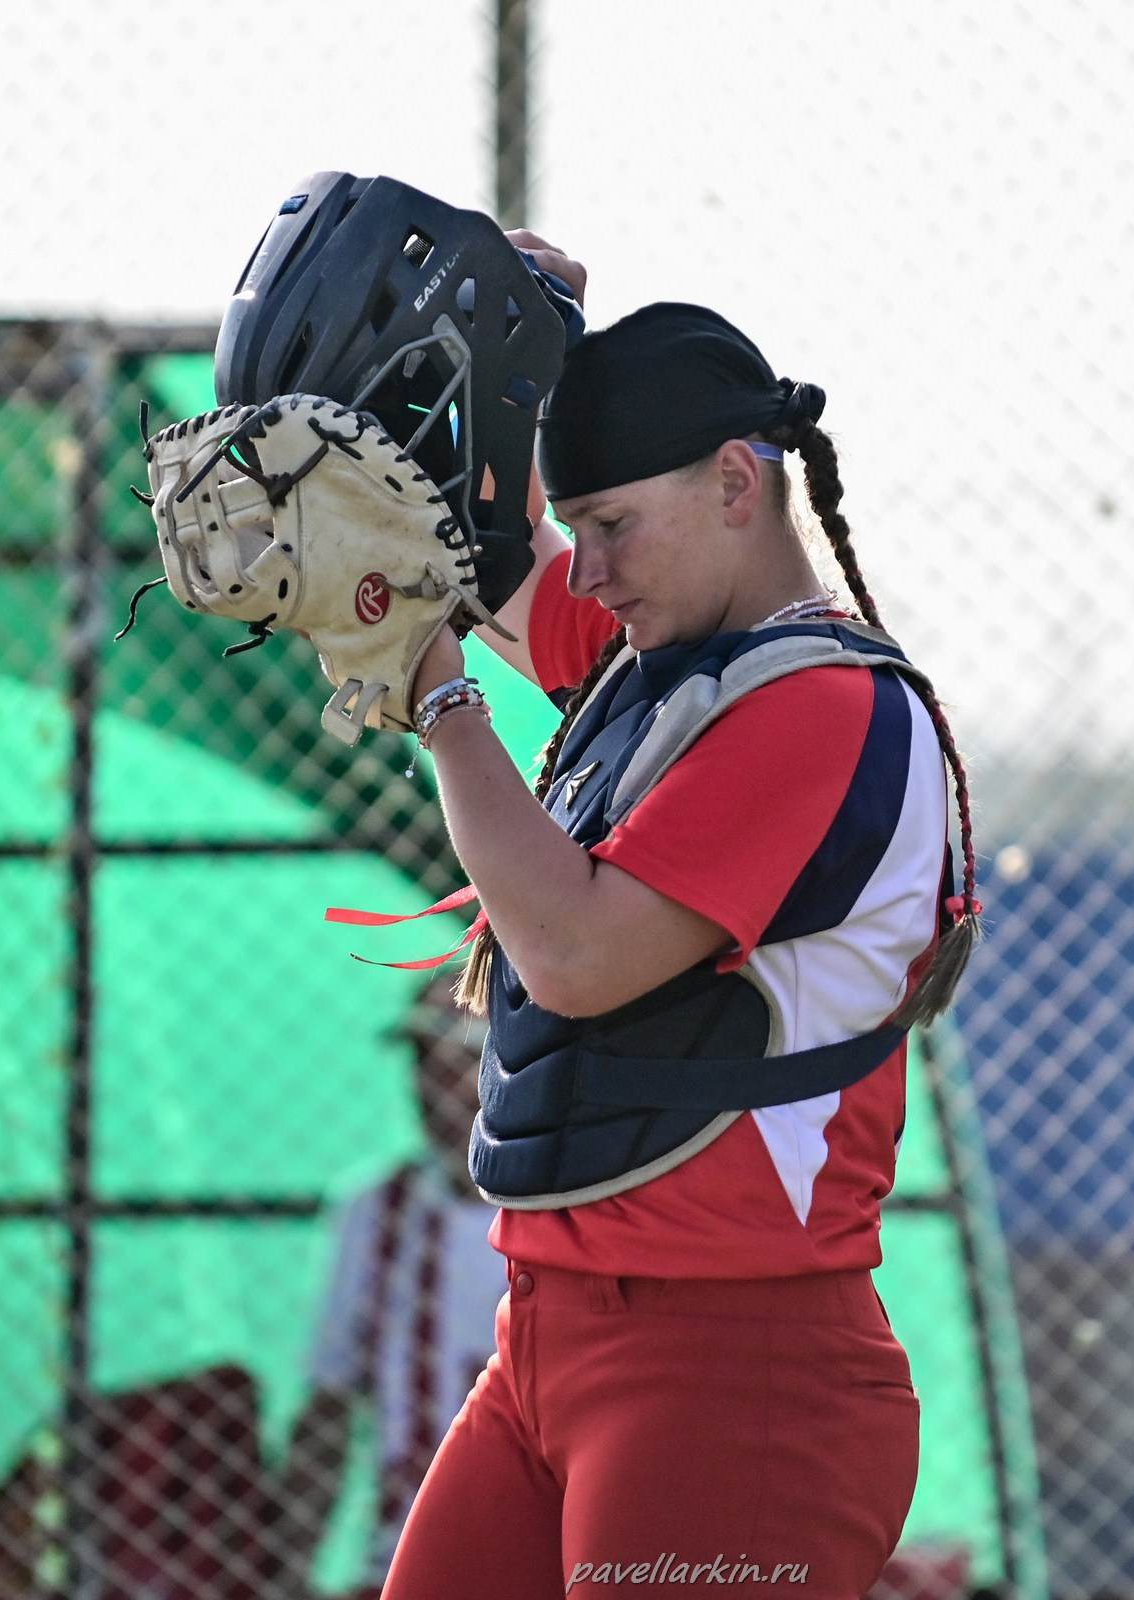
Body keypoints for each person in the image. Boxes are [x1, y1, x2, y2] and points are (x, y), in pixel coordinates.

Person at [338, 239, 979, 1599]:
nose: (594, 569)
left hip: (734, 1363)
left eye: (616, 527)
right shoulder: (667, 666)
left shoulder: (823, 706)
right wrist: (512, 353)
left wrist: (438, 699)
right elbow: (497, 564)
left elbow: (572, 955)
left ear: (738, 486)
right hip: (547, 1347)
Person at [281, 990, 506, 1597]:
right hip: (400, 1566)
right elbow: (328, 1406)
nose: (434, 1089)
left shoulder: (573, 1213)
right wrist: (291, 1569)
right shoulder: (378, 1212)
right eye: (423, 1062)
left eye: (459, 1062)